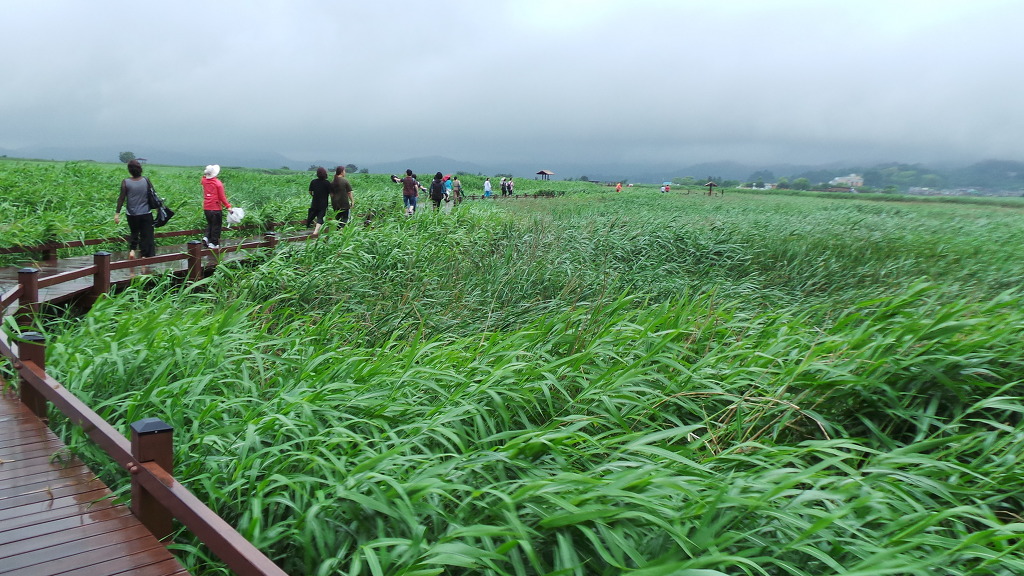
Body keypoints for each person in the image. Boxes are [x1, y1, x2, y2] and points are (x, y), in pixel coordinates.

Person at [114, 159, 156, 258]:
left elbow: (121, 198)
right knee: (147, 235)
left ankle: (132, 250)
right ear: (140, 169)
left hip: (132, 214)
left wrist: (117, 213)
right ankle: (145, 257)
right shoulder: (146, 180)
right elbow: (153, 195)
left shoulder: (126, 182)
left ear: (129, 170)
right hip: (146, 213)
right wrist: (158, 209)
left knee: (134, 232)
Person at [202, 164, 230, 248]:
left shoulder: (204, 181)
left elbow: (204, 178)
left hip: (206, 207)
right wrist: (228, 206)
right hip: (215, 208)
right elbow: (222, 197)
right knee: (216, 226)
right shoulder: (218, 184)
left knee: (210, 224)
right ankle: (213, 243)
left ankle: (206, 237)